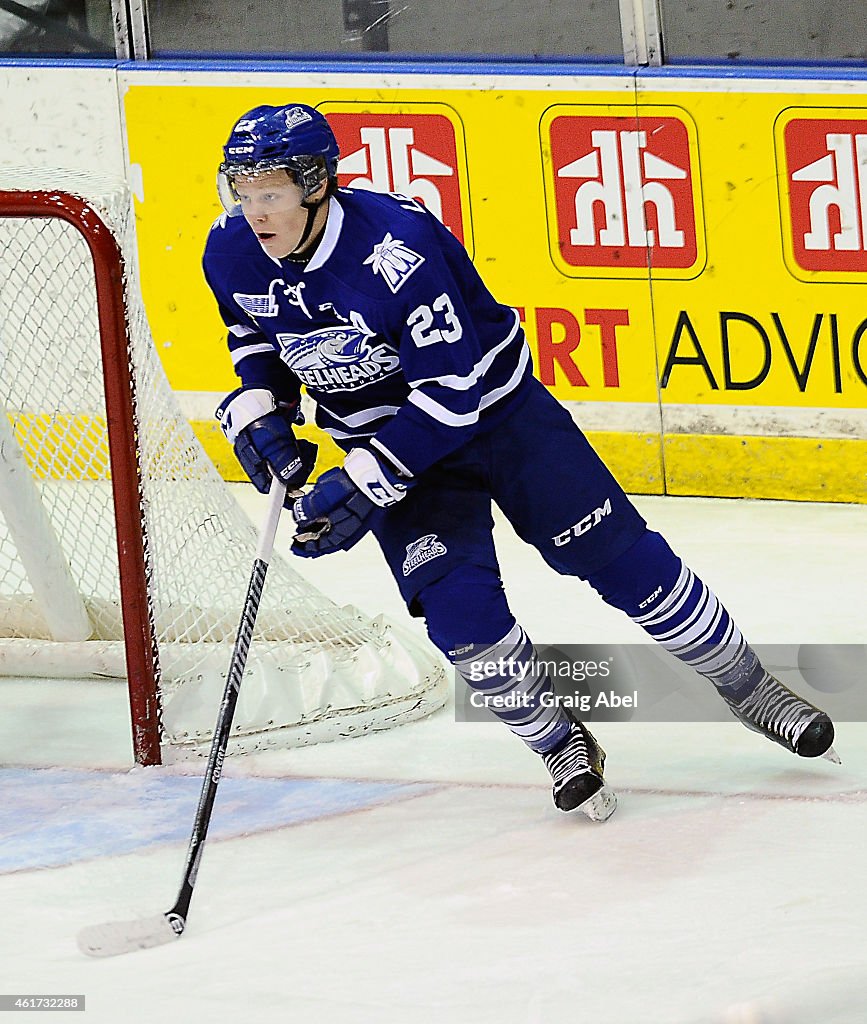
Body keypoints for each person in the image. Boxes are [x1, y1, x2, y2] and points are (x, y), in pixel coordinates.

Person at [204, 103, 837, 822]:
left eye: (272, 193)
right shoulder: (227, 248)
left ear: (317, 185)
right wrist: (261, 407)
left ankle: (748, 686)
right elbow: (254, 330)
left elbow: (451, 394)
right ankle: (558, 742)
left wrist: (363, 482)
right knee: (461, 619)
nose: (255, 211)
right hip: (392, 444)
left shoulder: (396, 248)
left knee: (625, 564)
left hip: (499, 420)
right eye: (243, 191)